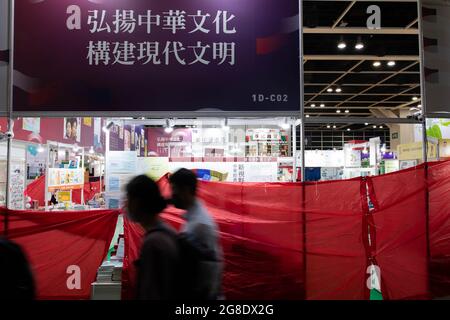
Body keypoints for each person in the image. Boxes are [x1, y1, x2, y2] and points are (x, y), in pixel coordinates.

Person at [169, 168, 223, 300]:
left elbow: (211, 271)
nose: (172, 195)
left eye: (174, 189)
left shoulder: (200, 224)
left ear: (186, 190)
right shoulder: (193, 219)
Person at [125, 175, 180, 300]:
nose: (126, 205)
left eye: (128, 199)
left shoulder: (153, 242)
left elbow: (150, 292)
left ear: (137, 202)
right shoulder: (167, 232)